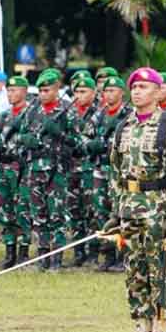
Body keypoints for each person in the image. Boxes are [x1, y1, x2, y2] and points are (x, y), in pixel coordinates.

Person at [106, 67, 166, 332]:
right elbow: (115, 171)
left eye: (144, 87)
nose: (137, 91)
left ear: (157, 92)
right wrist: (116, 210)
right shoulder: (124, 126)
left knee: (160, 272)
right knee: (134, 272)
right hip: (130, 208)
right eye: (135, 86)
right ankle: (140, 331)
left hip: (158, 207)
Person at [19, 70, 69, 270]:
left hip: (57, 170)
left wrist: (61, 134)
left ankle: (56, 259)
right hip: (35, 169)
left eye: (47, 90)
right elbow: (20, 135)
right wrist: (26, 140)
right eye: (40, 90)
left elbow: (80, 143)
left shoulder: (66, 110)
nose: (43, 94)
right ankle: (42, 257)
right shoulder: (32, 110)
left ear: (56, 89)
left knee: (56, 215)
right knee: (38, 215)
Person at [84, 75, 132, 270]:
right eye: (106, 91)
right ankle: (108, 254)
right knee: (100, 212)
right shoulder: (99, 115)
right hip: (100, 170)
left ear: (121, 93)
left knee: (120, 213)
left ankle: (123, 256)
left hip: (119, 172)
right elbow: (84, 138)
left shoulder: (128, 115)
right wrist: (92, 144)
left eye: (113, 90)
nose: (108, 94)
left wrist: (111, 145)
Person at [0, 75, 31, 268]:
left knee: (23, 209)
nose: (10, 94)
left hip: (22, 167)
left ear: (24, 92)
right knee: (5, 209)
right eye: (8, 90)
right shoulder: (4, 116)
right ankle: (9, 250)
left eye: (14, 90)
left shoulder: (30, 114)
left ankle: (24, 251)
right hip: (4, 166)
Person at [64, 74, 98, 266]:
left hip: (89, 168)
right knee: (74, 211)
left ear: (93, 93)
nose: (79, 95)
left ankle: (93, 251)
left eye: (83, 91)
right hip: (70, 168)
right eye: (76, 91)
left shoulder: (98, 113)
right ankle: (78, 251)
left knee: (91, 211)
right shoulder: (68, 113)